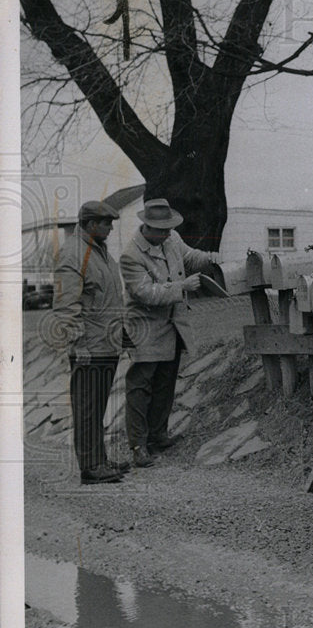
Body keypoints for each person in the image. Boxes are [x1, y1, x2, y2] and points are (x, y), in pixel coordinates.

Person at [120, 198, 215, 468]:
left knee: (165, 382)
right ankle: (139, 445)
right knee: (140, 386)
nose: (167, 233)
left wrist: (209, 257)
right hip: (145, 328)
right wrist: (182, 286)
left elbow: (189, 256)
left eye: (168, 229)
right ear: (146, 227)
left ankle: (158, 435)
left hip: (172, 324)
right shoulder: (131, 256)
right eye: (161, 230)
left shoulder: (171, 239)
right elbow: (145, 293)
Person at [51, 199, 130, 484]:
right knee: (87, 407)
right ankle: (91, 467)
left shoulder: (98, 251)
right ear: (90, 224)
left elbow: (107, 298)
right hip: (89, 347)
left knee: (96, 407)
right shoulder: (73, 254)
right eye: (106, 223)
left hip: (106, 344)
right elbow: (65, 307)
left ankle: (99, 459)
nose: (110, 228)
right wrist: (79, 346)